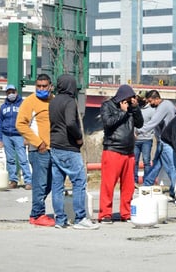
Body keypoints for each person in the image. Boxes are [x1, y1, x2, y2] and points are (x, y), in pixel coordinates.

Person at [49, 74, 99, 230]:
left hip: (55, 145)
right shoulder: (70, 102)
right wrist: (78, 137)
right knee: (79, 182)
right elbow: (70, 123)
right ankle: (80, 218)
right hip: (69, 147)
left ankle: (60, 219)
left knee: (57, 184)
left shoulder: (53, 101)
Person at [98, 84, 143, 224]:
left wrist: (135, 108)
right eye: (129, 99)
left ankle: (126, 213)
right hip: (113, 149)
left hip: (129, 151)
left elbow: (140, 124)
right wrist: (123, 112)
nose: (130, 101)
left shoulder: (131, 108)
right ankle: (105, 214)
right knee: (108, 184)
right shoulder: (107, 105)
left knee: (129, 186)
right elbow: (108, 123)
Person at [16, 74, 55, 227]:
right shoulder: (30, 102)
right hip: (39, 150)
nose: (41, 89)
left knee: (49, 184)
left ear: (50, 86)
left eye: (44, 86)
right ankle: (37, 214)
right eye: (38, 86)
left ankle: (37, 210)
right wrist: (38, 143)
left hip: (53, 149)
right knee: (40, 183)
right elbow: (20, 124)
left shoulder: (54, 100)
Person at [135, 90, 176, 199]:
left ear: (156, 99)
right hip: (163, 141)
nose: (150, 104)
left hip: (166, 142)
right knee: (156, 165)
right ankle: (146, 185)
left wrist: (138, 131)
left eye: (151, 101)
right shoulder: (167, 105)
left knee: (171, 168)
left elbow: (153, 122)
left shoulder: (163, 107)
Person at [0, 84, 32, 190]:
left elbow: (28, 121)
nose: (11, 94)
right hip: (6, 135)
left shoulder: (23, 104)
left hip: (19, 135)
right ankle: (13, 180)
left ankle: (28, 181)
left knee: (22, 159)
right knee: (10, 159)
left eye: (13, 92)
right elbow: (0, 123)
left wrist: (27, 137)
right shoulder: (3, 107)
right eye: (8, 92)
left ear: (16, 92)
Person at [134, 91, 155, 187]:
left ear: (146, 99)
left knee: (146, 161)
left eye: (141, 98)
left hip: (147, 139)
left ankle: (147, 182)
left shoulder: (151, 110)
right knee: (135, 161)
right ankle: (134, 181)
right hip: (136, 139)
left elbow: (153, 124)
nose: (139, 100)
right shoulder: (135, 109)